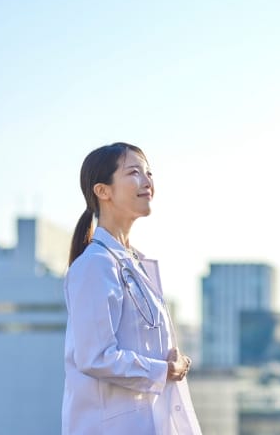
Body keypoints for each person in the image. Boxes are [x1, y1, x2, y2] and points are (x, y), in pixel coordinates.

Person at [62, 142, 202, 434]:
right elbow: (95, 356)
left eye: (149, 173)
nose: (147, 181)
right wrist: (164, 371)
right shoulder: (95, 265)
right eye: (134, 172)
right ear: (103, 191)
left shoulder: (132, 263)